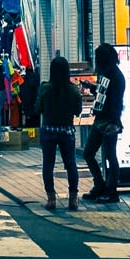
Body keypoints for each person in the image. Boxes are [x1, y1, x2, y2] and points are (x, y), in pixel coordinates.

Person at [38, 56, 84, 211]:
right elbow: (78, 111)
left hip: (49, 130)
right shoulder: (73, 90)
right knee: (71, 164)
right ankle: (73, 199)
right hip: (67, 131)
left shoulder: (45, 88)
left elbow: (38, 108)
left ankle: (51, 199)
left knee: (48, 164)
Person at [84, 43, 126, 202]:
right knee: (91, 153)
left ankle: (111, 191)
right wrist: (92, 87)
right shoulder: (107, 74)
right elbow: (104, 94)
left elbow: (115, 102)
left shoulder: (114, 76)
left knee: (109, 155)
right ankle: (101, 186)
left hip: (109, 121)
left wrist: (114, 123)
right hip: (102, 119)